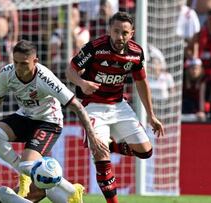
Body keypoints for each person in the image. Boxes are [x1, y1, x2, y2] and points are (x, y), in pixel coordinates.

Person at [0, 40, 108, 203]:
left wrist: (92, 135)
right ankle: (27, 174)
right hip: (26, 116)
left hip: (49, 122)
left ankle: (71, 190)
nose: (19, 68)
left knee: (28, 166)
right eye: (15, 62)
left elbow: (77, 107)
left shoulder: (45, 78)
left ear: (35, 62)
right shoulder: (7, 73)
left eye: (24, 64)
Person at [66, 12, 164, 203]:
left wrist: (151, 115)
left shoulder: (136, 53)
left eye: (125, 33)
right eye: (116, 31)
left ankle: (110, 145)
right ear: (109, 30)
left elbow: (142, 82)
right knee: (101, 159)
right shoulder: (95, 48)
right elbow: (70, 70)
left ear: (132, 33)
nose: (120, 36)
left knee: (145, 151)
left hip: (118, 105)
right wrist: (82, 83)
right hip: (92, 106)